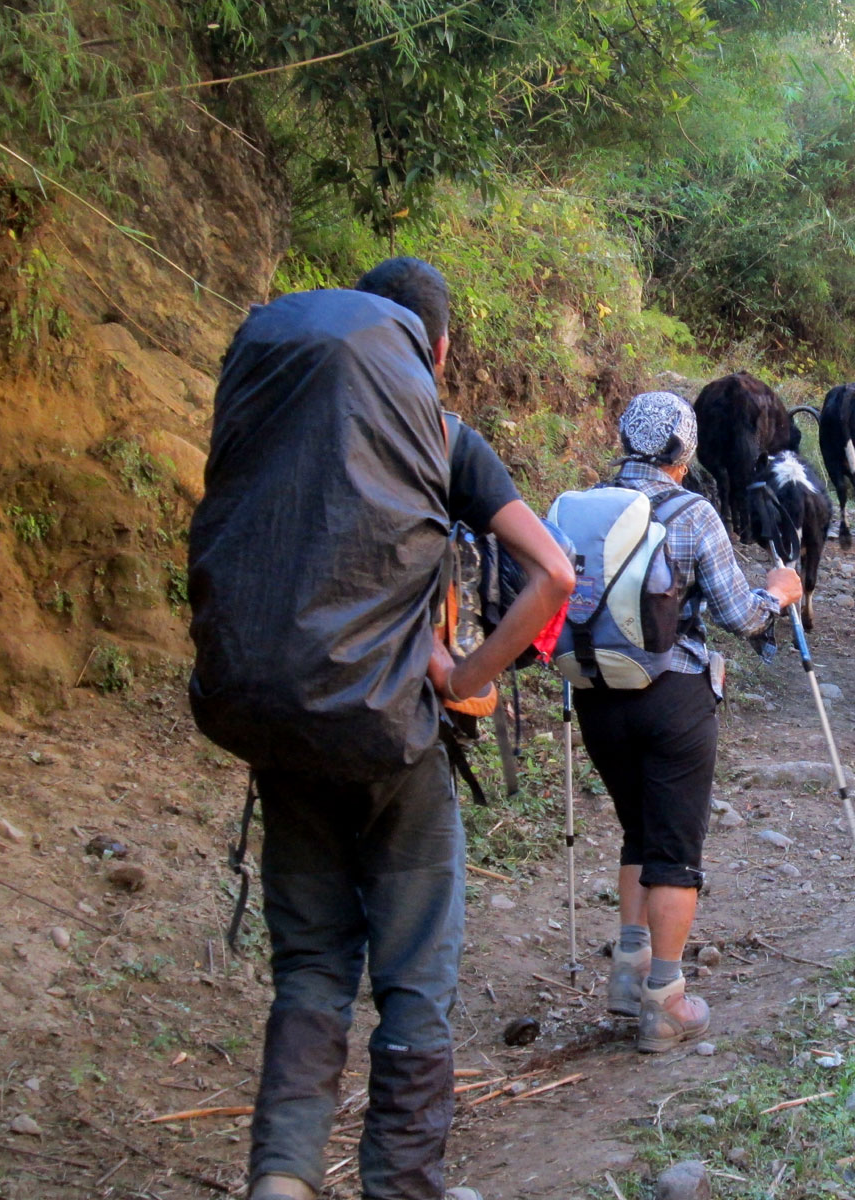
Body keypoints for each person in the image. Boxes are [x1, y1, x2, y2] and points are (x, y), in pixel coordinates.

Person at [239, 259, 574, 1200]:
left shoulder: (277, 428)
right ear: (435, 349)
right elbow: (553, 573)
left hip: (288, 735)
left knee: (309, 971)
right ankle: (401, 1185)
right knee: (415, 982)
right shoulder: (439, 436)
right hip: (398, 742)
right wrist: (465, 674)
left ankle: (281, 1182)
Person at [572, 391, 802, 1052]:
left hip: (596, 692)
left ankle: (629, 972)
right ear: (684, 449)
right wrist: (780, 593)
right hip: (673, 697)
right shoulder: (693, 512)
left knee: (637, 832)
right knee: (675, 849)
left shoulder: (584, 505)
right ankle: (666, 1004)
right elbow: (741, 615)